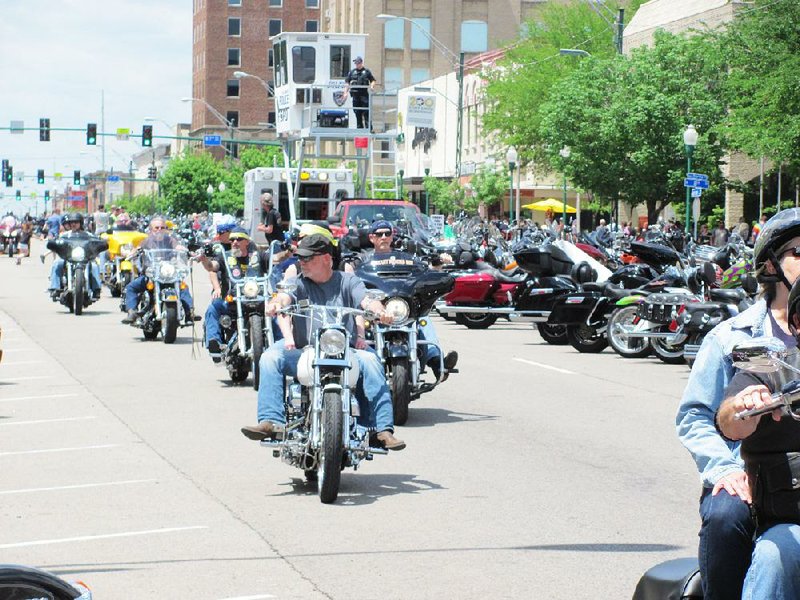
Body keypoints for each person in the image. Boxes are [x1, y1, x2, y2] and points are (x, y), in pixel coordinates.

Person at [675, 208, 800, 598]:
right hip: (746, 469)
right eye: (799, 252)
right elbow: (701, 415)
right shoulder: (736, 338)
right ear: (770, 264)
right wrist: (725, 469)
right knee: (727, 515)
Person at [241, 233, 405, 451]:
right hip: (303, 349)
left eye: (308, 258)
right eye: (300, 258)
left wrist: (380, 311)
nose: (302, 262)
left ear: (326, 259)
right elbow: (284, 296)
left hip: (343, 351)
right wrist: (275, 304)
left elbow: (366, 300)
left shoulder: (348, 281)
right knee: (269, 357)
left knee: (373, 362)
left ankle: (381, 429)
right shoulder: (297, 282)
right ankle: (271, 421)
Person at [345, 220, 458, 380]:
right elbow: (349, 274)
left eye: (387, 233)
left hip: (401, 306)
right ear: (371, 237)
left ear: (392, 236)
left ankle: (437, 363)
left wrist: (439, 262)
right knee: (357, 320)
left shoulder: (406, 258)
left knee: (424, 320)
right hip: (374, 309)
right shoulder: (363, 259)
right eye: (379, 234)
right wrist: (348, 269)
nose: (383, 237)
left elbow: (426, 270)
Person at [197, 227, 269, 362]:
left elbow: (276, 259)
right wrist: (203, 259)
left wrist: (288, 252)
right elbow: (211, 267)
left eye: (239, 239)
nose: (235, 242)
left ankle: (280, 346)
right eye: (232, 239)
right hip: (232, 302)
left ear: (247, 241)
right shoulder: (225, 256)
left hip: (257, 300)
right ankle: (215, 343)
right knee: (214, 307)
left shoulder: (258, 255)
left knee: (277, 313)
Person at [121, 217, 196, 325]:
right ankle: (131, 312)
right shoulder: (147, 241)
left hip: (167, 273)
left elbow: (178, 246)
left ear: (166, 229)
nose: (159, 230)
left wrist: (187, 251)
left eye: (162, 227)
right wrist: (132, 253)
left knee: (183, 287)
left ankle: (190, 312)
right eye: (156, 228)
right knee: (131, 287)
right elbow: (137, 248)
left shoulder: (170, 240)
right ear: (151, 230)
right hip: (151, 274)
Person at [47, 213, 102, 299]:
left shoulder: (88, 235)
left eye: (76, 222)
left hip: (84, 258)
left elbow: (96, 240)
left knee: (94, 266)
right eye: (71, 222)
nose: (73, 224)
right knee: (57, 263)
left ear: (80, 223)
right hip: (68, 258)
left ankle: (96, 289)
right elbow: (56, 241)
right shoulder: (65, 235)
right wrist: (53, 243)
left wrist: (100, 243)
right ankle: (55, 288)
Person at [344, 56, 376, 130]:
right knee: (357, 112)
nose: (356, 64)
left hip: (364, 95)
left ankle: (369, 128)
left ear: (361, 63)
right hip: (355, 95)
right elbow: (347, 83)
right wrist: (345, 92)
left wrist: (372, 86)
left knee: (366, 112)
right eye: (355, 63)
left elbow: (373, 80)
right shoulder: (352, 72)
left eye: (358, 63)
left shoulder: (366, 71)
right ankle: (359, 129)